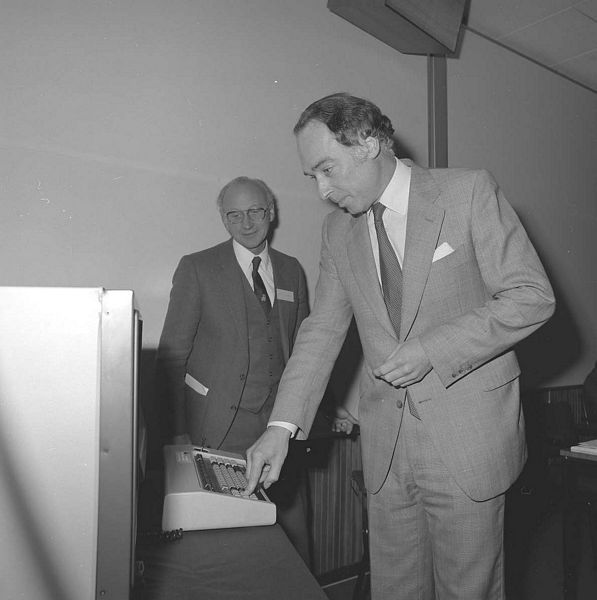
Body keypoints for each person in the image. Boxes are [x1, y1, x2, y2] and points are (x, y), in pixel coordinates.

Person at [245, 93, 556, 599]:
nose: (323, 190)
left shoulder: (467, 192)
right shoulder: (337, 232)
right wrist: (280, 428)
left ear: (369, 143)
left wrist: (433, 349)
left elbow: (531, 297)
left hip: (467, 442)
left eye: (327, 168)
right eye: (313, 177)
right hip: (386, 448)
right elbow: (321, 330)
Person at [156, 175, 310, 563]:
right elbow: (172, 355)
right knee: (226, 549)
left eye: (255, 211)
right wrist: (174, 431)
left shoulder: (292, 271)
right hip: (216, 431)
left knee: (287, 545)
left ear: (271, 213)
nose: (246, 223)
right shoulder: (197, 268)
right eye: (234, 214)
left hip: (278, 431)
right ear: (224, 219)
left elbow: (307, 351)